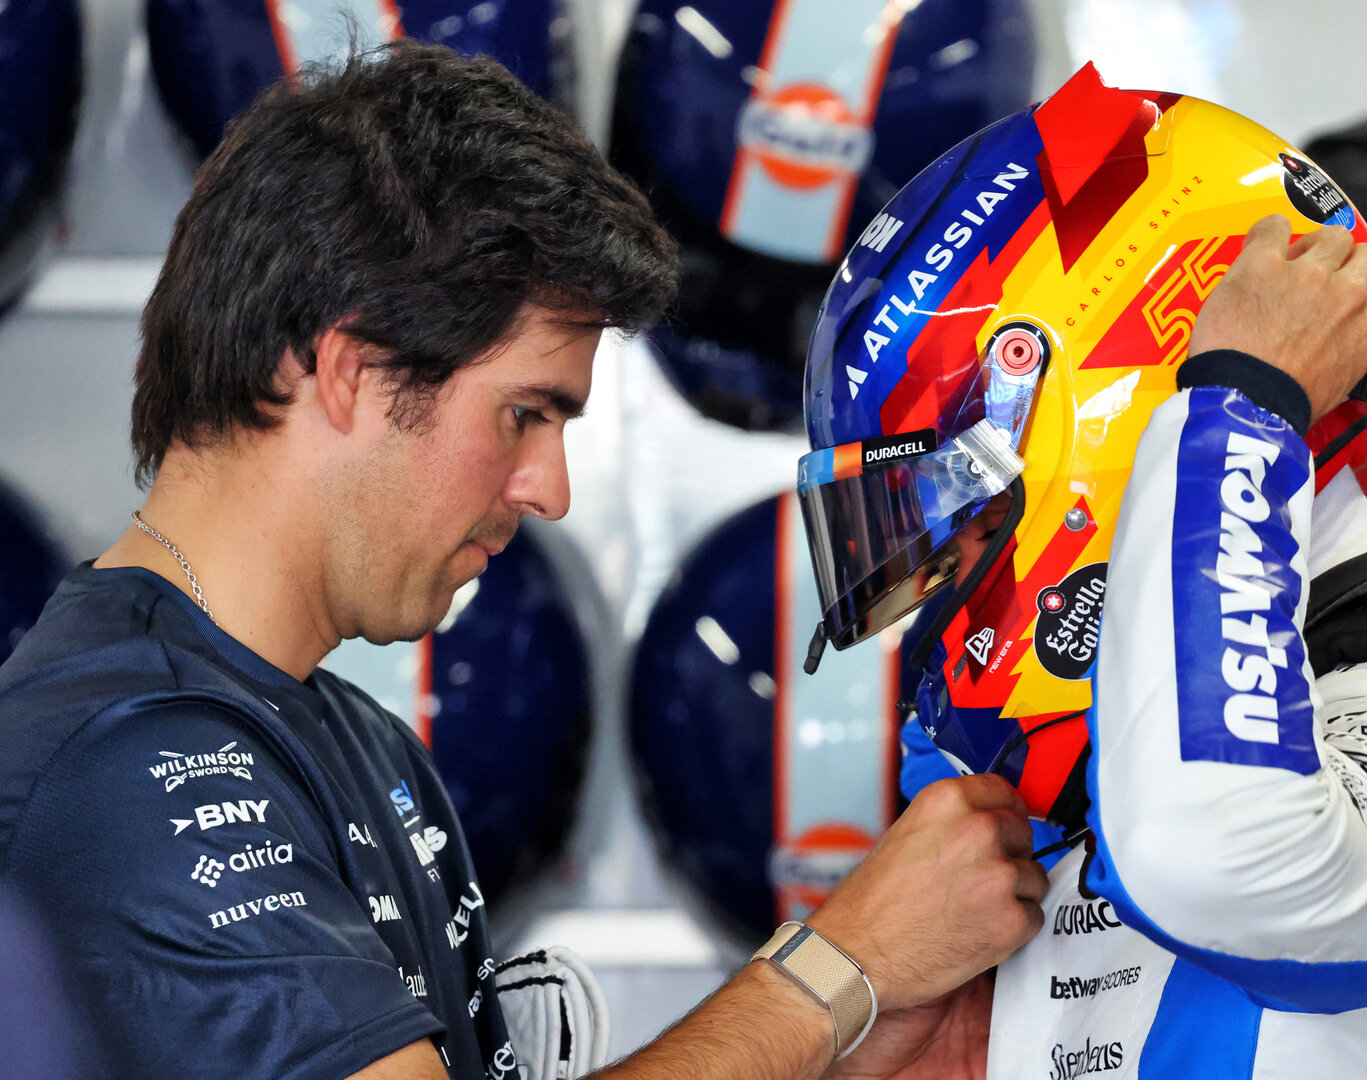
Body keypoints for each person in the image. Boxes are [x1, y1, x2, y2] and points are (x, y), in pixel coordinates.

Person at [0, 42, 1048, 1080]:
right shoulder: (132, 760)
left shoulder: (351, 740)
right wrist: (839, 970)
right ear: (350, 372)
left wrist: (861, 1055)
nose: (550, 489)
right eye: (524, 414)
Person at [794, 65, 1367, 1077]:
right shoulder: (1087, 796)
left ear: (1116, 428)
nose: (941, 584)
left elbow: (1213, 853)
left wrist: (1243, 408)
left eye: (953, 524)